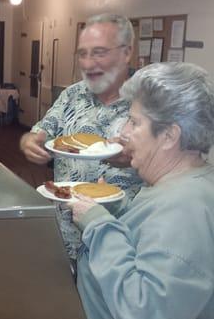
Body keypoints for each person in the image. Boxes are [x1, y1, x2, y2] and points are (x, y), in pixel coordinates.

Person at [70, 62, 214, 319]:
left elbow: (144, 309)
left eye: (135, 123)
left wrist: (99, 226)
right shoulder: (173, 186)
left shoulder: (185, 209)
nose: (124, 133)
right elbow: (149, 240)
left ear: (169, 136)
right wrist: (117, 211)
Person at [19, 13, 144, 260]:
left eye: (99, 52)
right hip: (64, 234)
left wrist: (135, 158)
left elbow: (177, 163)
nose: (87, 64)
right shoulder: (72, 95)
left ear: (126, 52)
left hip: (119, 244)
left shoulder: (148, 102)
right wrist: (29, 143)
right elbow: (41, 132)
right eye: (82, 53)